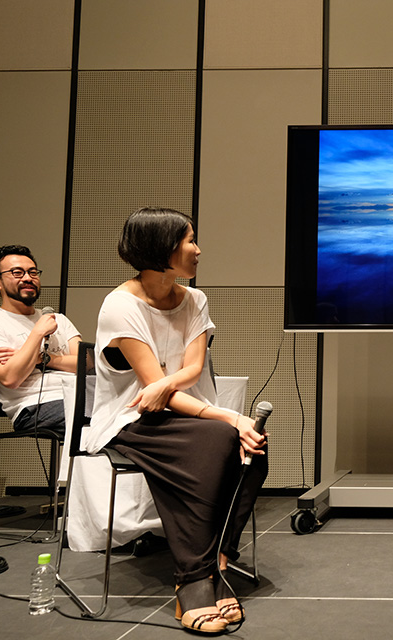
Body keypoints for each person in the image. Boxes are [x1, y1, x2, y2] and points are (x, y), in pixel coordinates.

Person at [86, 207, 268, 633]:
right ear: (160, 248)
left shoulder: (195, 300)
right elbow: (151, 395)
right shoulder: (120, 306)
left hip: (184, 415)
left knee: (252, 444)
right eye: (189, 240)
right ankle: (192, 580)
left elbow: (190, 370)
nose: (198, 249)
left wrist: (170, 384)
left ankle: (216, 564)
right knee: (219, 439)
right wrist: (226, 414)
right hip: (130, 421)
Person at [0, 245, 80, 436]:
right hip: (34, 406)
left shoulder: (59, 320)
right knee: (110, 420)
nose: (28, 278)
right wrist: (37, 333)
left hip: (81, 395)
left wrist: (43, 358)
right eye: (17, 273)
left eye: (33, 272)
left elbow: (86, 365)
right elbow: (11, 378)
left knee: (134, 412)